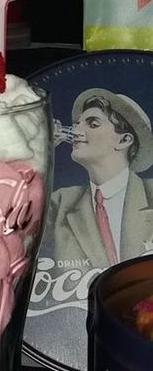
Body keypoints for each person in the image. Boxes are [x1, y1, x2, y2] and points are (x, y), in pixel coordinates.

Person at [46, 89, 153, 269]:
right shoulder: (59, 203)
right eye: (76, 123)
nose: (75, 130)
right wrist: (38, 150)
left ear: (124, 140)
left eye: (93, 124)